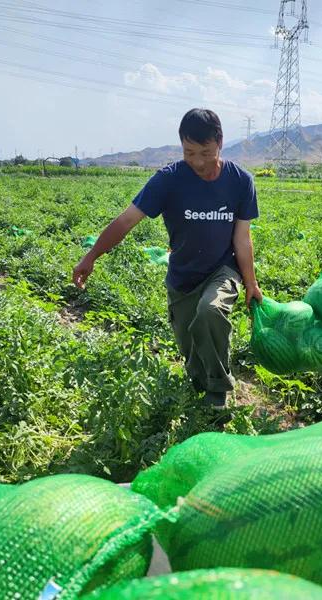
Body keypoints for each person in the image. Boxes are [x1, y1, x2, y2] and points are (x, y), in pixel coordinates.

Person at [72, 108, 262, 413]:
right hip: (183, 276)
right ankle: (201, 386)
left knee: (211, 312)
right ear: (181, 146)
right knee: (191, 353)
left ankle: (219, 393)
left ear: (221, 143)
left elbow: (242, 238)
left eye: (206, 152)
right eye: (190, 153)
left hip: (222, 269)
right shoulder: (169, 180)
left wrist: (250, 282)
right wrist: (92, 255)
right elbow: (127, 220)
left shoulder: (240, 181)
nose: (199, 162)